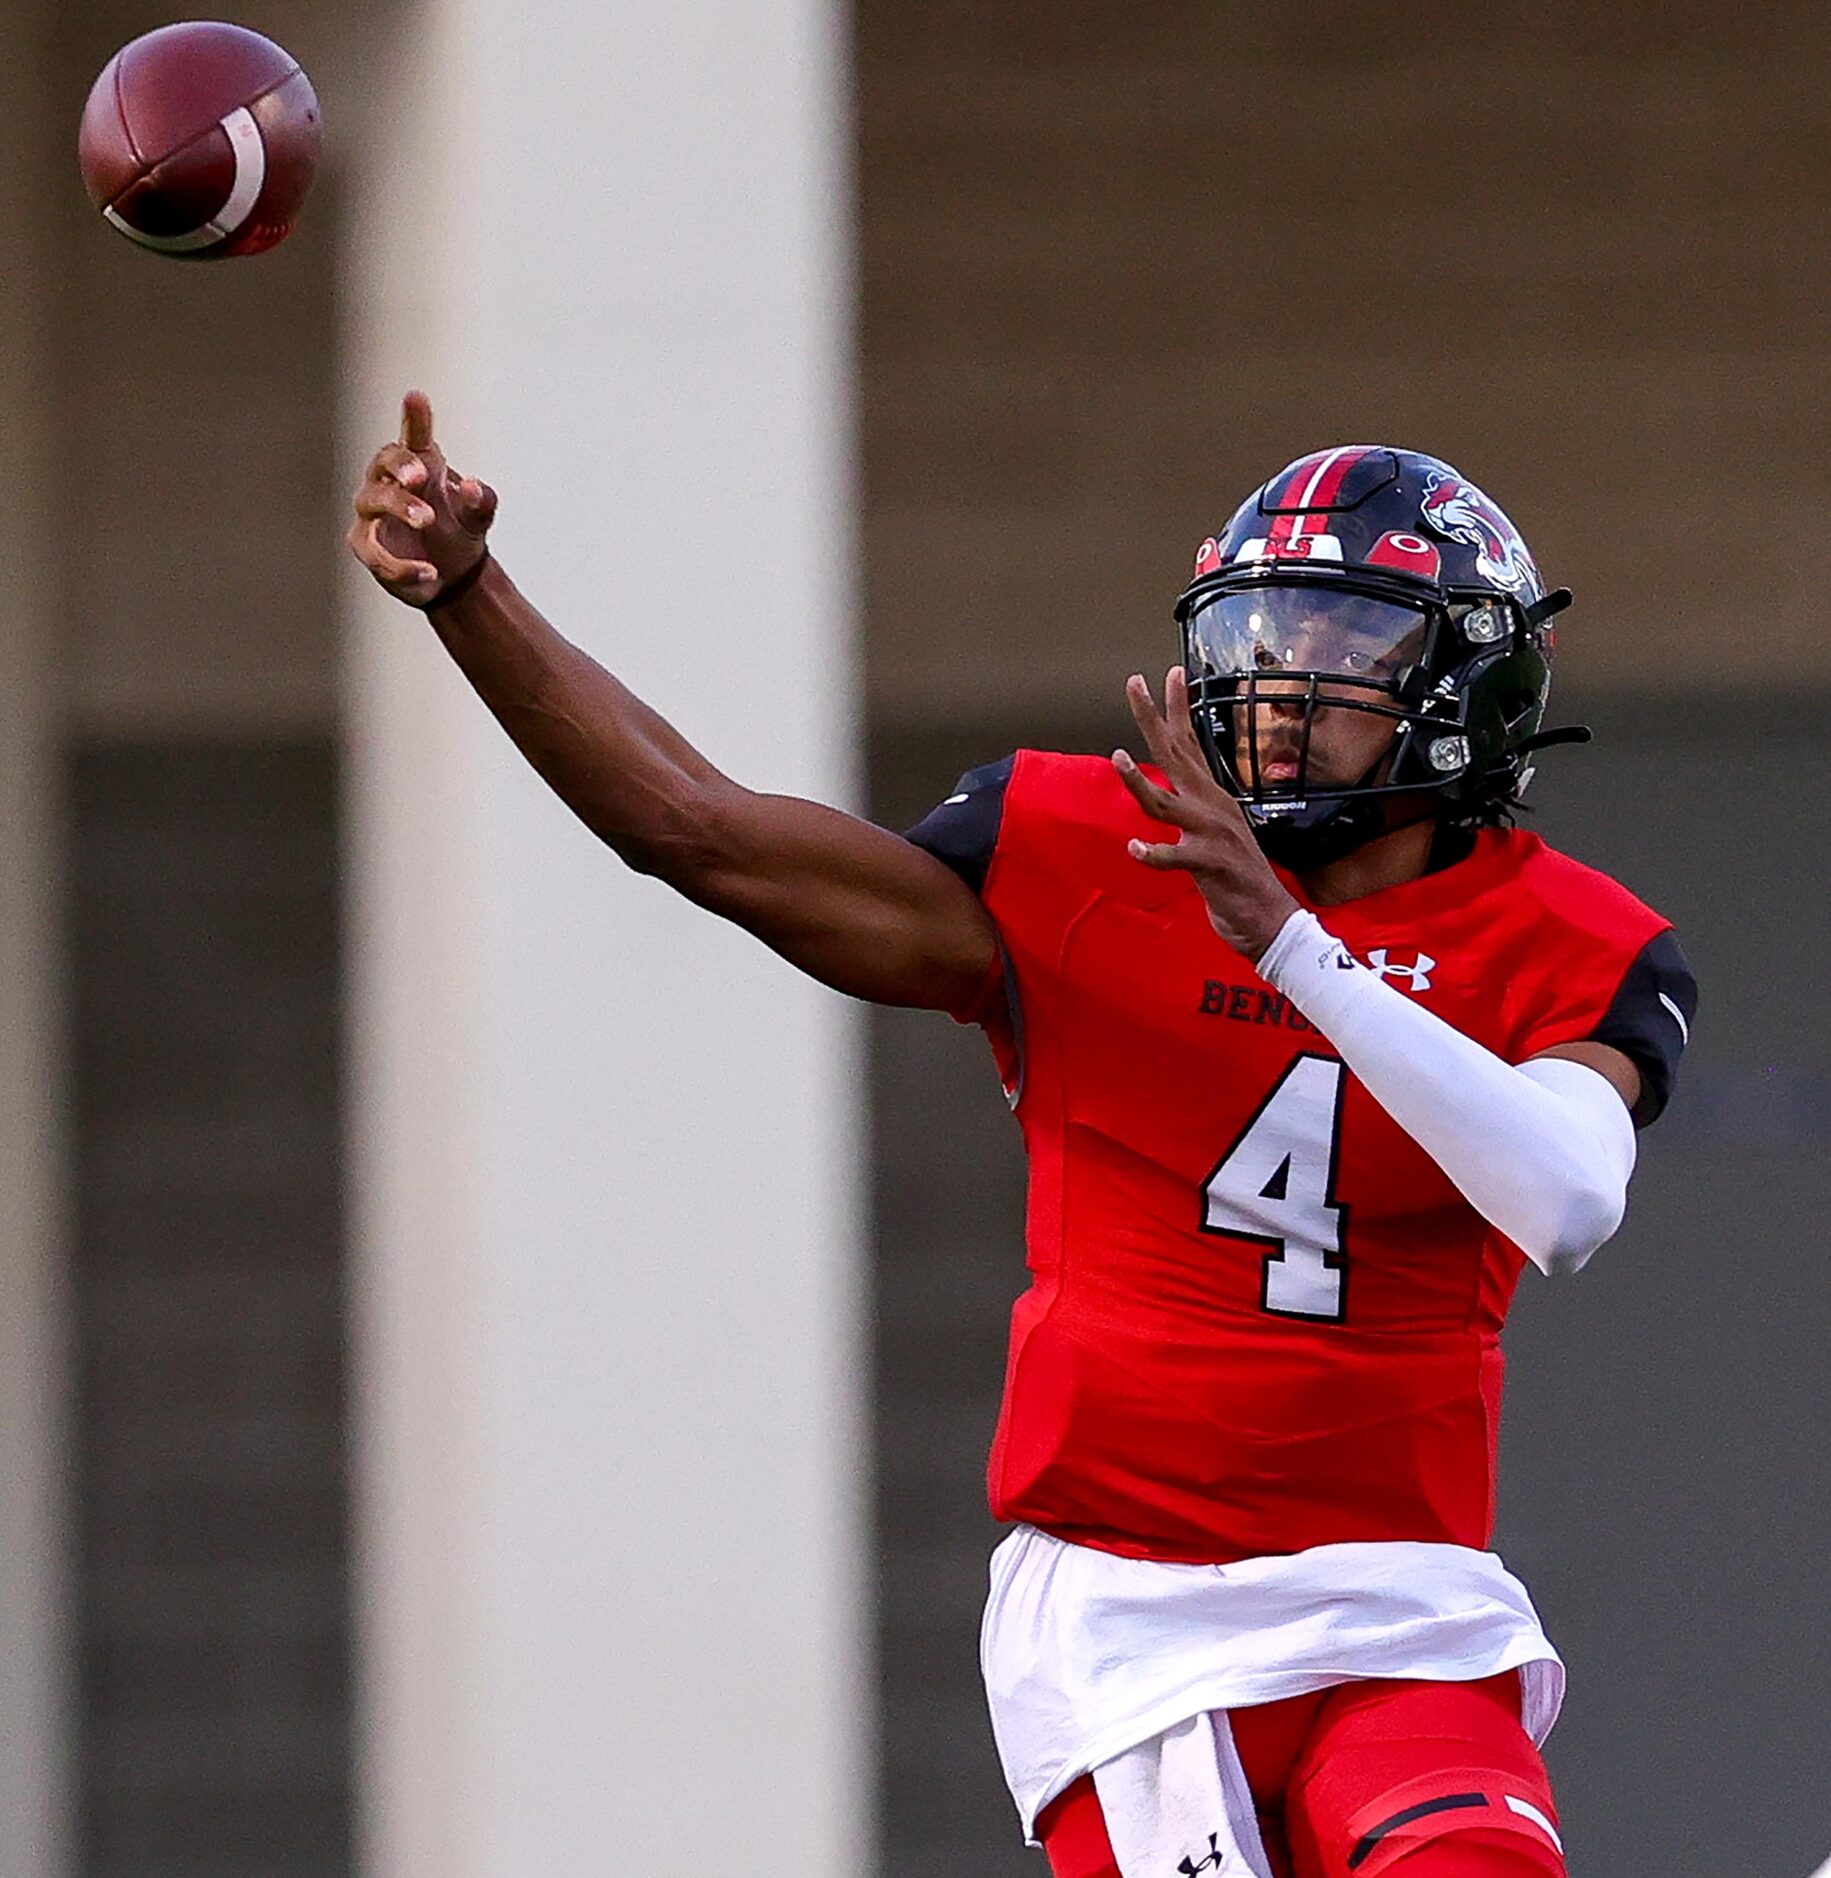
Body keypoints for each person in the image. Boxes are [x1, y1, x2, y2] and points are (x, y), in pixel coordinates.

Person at [350, 406, 1696, 1878]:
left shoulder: (1564, 935)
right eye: (1260, 632)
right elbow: (699, 830)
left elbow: (1568, 1197)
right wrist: (473, 601)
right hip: (1128, 1622)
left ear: (1463, 688)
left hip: (1405, 1606)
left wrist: (1298, 951)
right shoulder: (1080, 847)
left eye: (1341, 644)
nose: (1278, 683)